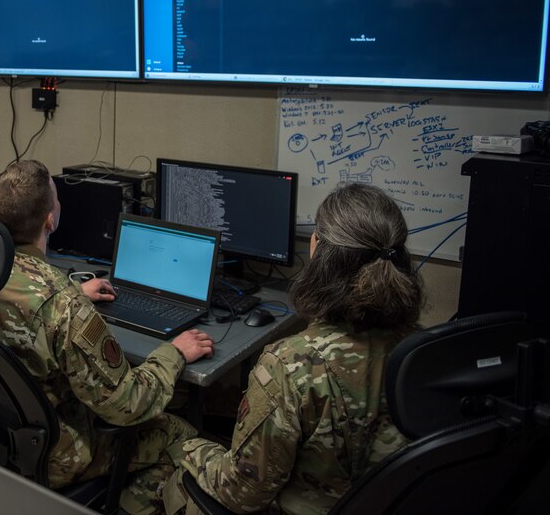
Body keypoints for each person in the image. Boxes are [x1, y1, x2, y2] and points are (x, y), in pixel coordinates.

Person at [0, 160, 215, 514]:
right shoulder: (62, 305)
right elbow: (128, 403)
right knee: (179, 433)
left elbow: (15, 307)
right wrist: (174, 354)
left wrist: (71, 293)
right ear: (50, 219)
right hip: (54, 456)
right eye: (56, 200)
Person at [165, 182, 424, 515]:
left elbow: (244, 494)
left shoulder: (291, 363)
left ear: (319, 250)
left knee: (175, 478)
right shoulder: (422, 349)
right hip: (388, 503)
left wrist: (190, 450)